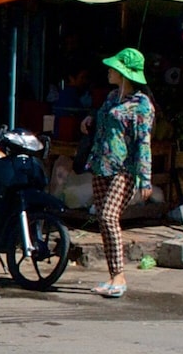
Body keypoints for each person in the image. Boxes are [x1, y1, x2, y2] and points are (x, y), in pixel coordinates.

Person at [79, 48, 153, 298]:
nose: (109, 71)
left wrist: (145, 178)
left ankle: (120, 277)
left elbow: (143, 142)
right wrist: (90, 120)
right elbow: (106, 120)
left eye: (113, 68)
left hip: (124, 169)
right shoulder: (112, 97)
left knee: (109, 217)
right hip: (102, 164)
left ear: (124, 73)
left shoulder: (142, 105)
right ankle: (113, 276)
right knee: (103, 220)